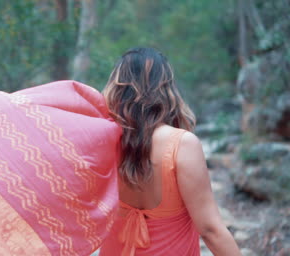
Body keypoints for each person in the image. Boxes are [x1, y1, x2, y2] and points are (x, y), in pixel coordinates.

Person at [99, 47, 241, 256]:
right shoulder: (182, 144)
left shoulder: (104, 141)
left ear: (116, 88)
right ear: (166, 89)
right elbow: (210, 230)